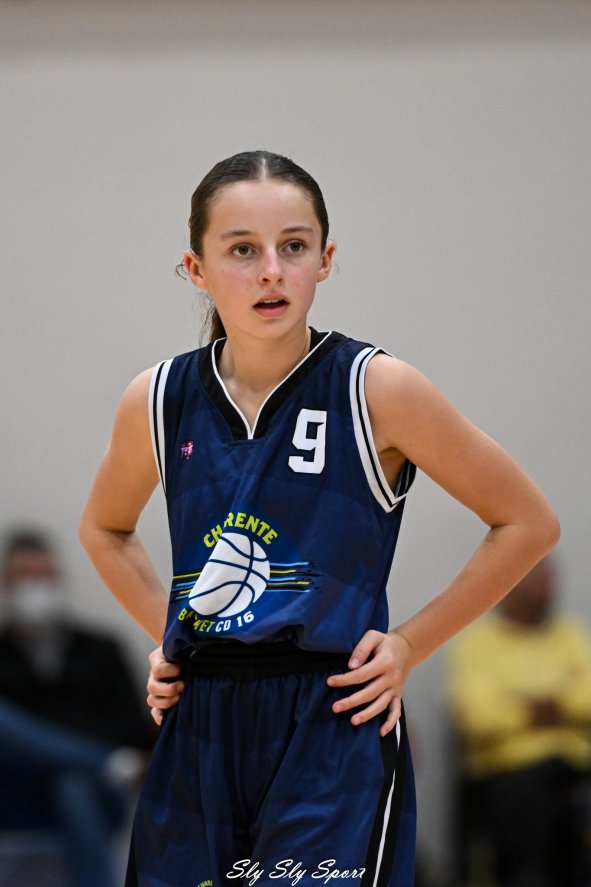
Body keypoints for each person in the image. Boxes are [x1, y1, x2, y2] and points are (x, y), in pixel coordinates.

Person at [79, 149, 559, 887]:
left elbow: (527, 521)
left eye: (294, 246)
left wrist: (408, 644)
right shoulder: (158, 397)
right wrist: (175, 635)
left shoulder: (376, 388)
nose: (271, 270)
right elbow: (104, 530)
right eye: (243, 249)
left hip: (330, 721)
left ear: (325, 259)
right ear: (196, 268)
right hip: (199, 723)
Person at [0, 528, 155, 887]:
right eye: (26, 577)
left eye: (44, 576)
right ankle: (108, 764)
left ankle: (98, 764)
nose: (36, 587)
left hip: (97, 794)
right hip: (16, 792)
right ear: (7, 584)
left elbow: (133, 726)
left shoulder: (101, 649)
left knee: (72, 784)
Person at [447, 556, 591, 887]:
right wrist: (561, 701)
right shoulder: (477, 642)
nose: (547, 591)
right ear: (510, 585)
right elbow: (478, 719)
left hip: (574, 769)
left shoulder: (570, 634)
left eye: (549, 582)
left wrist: (520, 704)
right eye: (538, 582)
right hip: (508, 777)